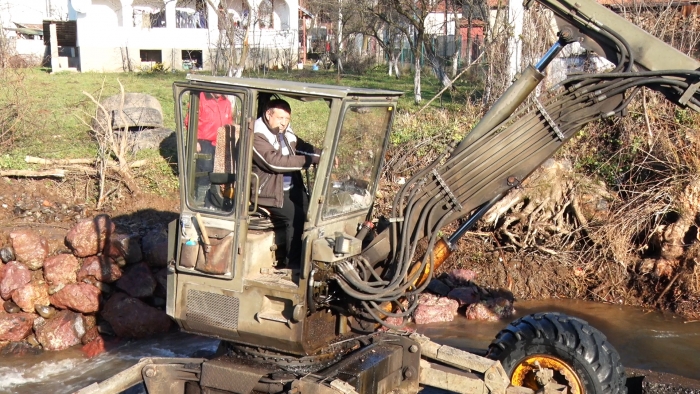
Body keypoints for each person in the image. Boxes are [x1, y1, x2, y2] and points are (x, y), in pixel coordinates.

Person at [252, 99, 321, 267]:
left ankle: (310, 259)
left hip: (289, 188)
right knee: (295, 218)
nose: (283, 123)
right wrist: (309, 160)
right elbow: (274, 162)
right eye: (280, 117)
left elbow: (303, 148)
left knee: (314, 213)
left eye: (287, 119)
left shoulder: (285, 134)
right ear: (268, 114)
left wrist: (322, 155)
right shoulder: (256, 136)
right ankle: (293, 266)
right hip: (267, 192)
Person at [191, 92, 233, 205]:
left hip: (221, 143)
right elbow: (190, 121)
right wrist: (194, 141)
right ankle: (200, 201)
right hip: (204, 142)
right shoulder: (200, 99)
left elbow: (229, 121)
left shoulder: (227, 102)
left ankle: (214, 200)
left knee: (219, 173)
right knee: (205, 172)